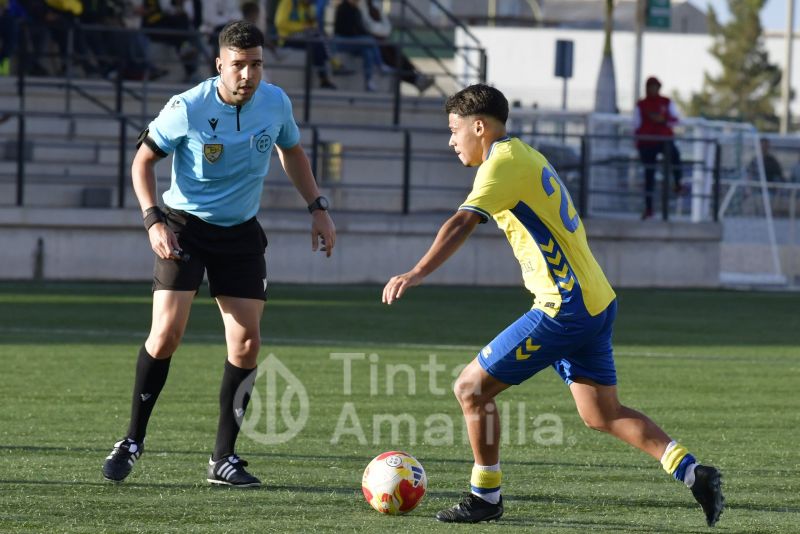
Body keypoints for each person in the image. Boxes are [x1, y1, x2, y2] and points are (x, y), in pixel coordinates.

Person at [382, 84, 724, 526]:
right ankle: (694, 473)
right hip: (596, 301)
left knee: (471, 389)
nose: (451, 140)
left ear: (479, 127)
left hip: (564, 306)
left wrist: (415, 272)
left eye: (454, 129)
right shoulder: (524, 155)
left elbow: (462, 221)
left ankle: (485, 497)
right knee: (602, 413)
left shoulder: (501, 164)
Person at [102, 20, 337, 488]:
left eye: (256, 64)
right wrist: (153, 221)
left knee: (247, 343)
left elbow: (292, 151)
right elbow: (143, 161)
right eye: (238, 65)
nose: (248, 75)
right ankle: (131, 440)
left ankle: (223, 459)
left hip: (240, 232)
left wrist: (317, 207)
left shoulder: (275, 102)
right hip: (185, 229)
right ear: (219, 64)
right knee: (166, 335)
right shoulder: (187, 107)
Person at [634, 76, 683, 220]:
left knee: (675, 157)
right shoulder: (641, 104)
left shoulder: (666, 102)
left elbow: (676, 119)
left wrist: (664, 120)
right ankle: (649, 208)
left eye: (655, 86)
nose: (653, 89)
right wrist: (638, 143)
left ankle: (678, 183)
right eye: (651, 86)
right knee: (649, 174)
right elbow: (635, 125)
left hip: (664, 140)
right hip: (648, 142)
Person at [359, 0, 433, 93]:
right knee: (391, 60)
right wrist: (380, 31)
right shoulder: (362, 8)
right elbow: (370, 27)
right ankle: (416, 80)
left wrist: (380, 31)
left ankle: (417, 77)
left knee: (397, 52)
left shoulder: (375, 7)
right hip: (372, 43)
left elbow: (386, 28)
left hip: (380, 41)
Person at [275, 0, 336, 89]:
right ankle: (332, 65)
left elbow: (313, 24)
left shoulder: (308, 6)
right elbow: (280, 23)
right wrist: (302, 27)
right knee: (316, 42)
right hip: (287, 38)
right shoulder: (288, 2)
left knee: (318, 41)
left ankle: (324, 78)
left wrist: (311, 25)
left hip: (304, 37)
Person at [333, 0, 385, 91]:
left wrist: (364, 35)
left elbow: (360, 28)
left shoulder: (356, 10)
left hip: (354, 41)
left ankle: (369, 82)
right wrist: (360, 36)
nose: (357, 1)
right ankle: (380, 65)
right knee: (370, 41)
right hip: (342, 40)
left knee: (367, 52)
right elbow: (343, 30)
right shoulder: (342, 8)